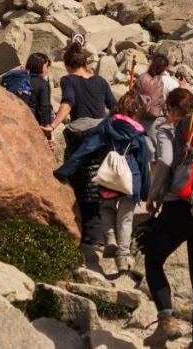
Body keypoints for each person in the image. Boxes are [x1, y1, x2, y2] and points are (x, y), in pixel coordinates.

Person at [142, 88, 193, 349]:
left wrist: (154, 195)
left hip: (179, 207)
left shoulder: (168, 128)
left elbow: (164, 162)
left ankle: (166, 320)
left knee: (153, 260)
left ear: (172, 109)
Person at [54, 90, 150, 274]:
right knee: (125, 218)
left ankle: (110, 237)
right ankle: (122, 257)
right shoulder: (138, 133)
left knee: (106, 208)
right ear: (136, 111)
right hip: (131, 179)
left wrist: (65, 171)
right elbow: (143, 163)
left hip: (108, 176)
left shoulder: (108, 124)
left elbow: (87, 148)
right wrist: (145, 190)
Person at [44, 35, 116, 139]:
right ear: (85, 63)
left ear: (67, 66)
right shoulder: (101, 81)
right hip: (102, 131)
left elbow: (68, 104)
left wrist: (53, 125)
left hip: (81, 132)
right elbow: (114, 106)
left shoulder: (68, 80)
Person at [24, 52, 54, 134]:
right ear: (39, 66)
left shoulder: (20, 79)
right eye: (46, 66)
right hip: (32, 122)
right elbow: (44, 107)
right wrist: (47, 126)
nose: (47, 70)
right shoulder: (43, 83)